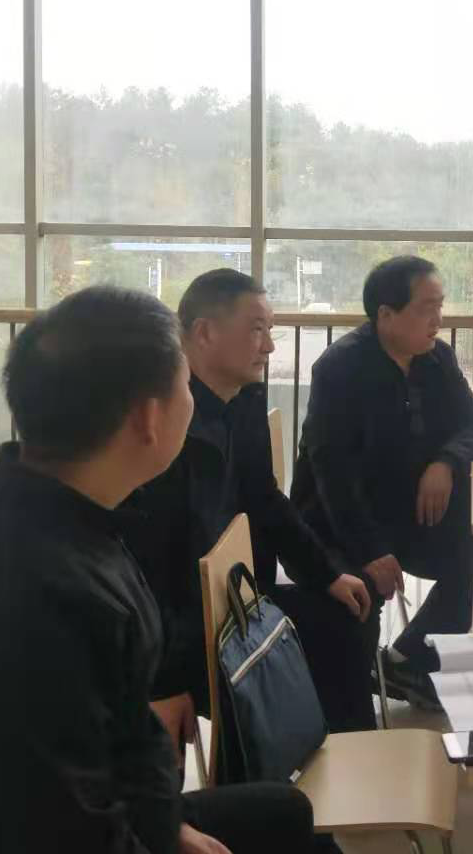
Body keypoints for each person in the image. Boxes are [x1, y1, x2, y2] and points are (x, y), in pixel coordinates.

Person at [0, 286, 328, 854]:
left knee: (284, 813)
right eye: (184, 387)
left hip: (102, 805)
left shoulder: (68, 510)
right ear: (149, 417)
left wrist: (169, 825)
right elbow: (59, 828)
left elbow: (121, 726)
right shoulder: (29, 592)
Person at [118, 270, 376, 737]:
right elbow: (146, 568)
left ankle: (345, 759)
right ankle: (275, 768)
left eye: (270, 330)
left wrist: (326, 574)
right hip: (181, 631)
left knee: (347, 613)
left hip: (236, 600)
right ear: (204, 333)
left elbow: (265, 498)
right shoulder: (161, 427)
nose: (270, 346)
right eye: (257, 330)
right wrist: (165, 681)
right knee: (309, 653)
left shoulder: (244, 397)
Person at [291, 256, 473, 711]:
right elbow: (331, 474)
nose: (438, 320)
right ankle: (353, 719)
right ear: (386, 315)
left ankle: (407, 659)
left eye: (440, 306)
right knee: (358, 596)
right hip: (336, 523)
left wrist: (445, 462)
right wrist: (370, 550)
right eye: (426, 309)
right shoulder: (339, 369)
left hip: (404, 511)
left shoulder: (436, 358)